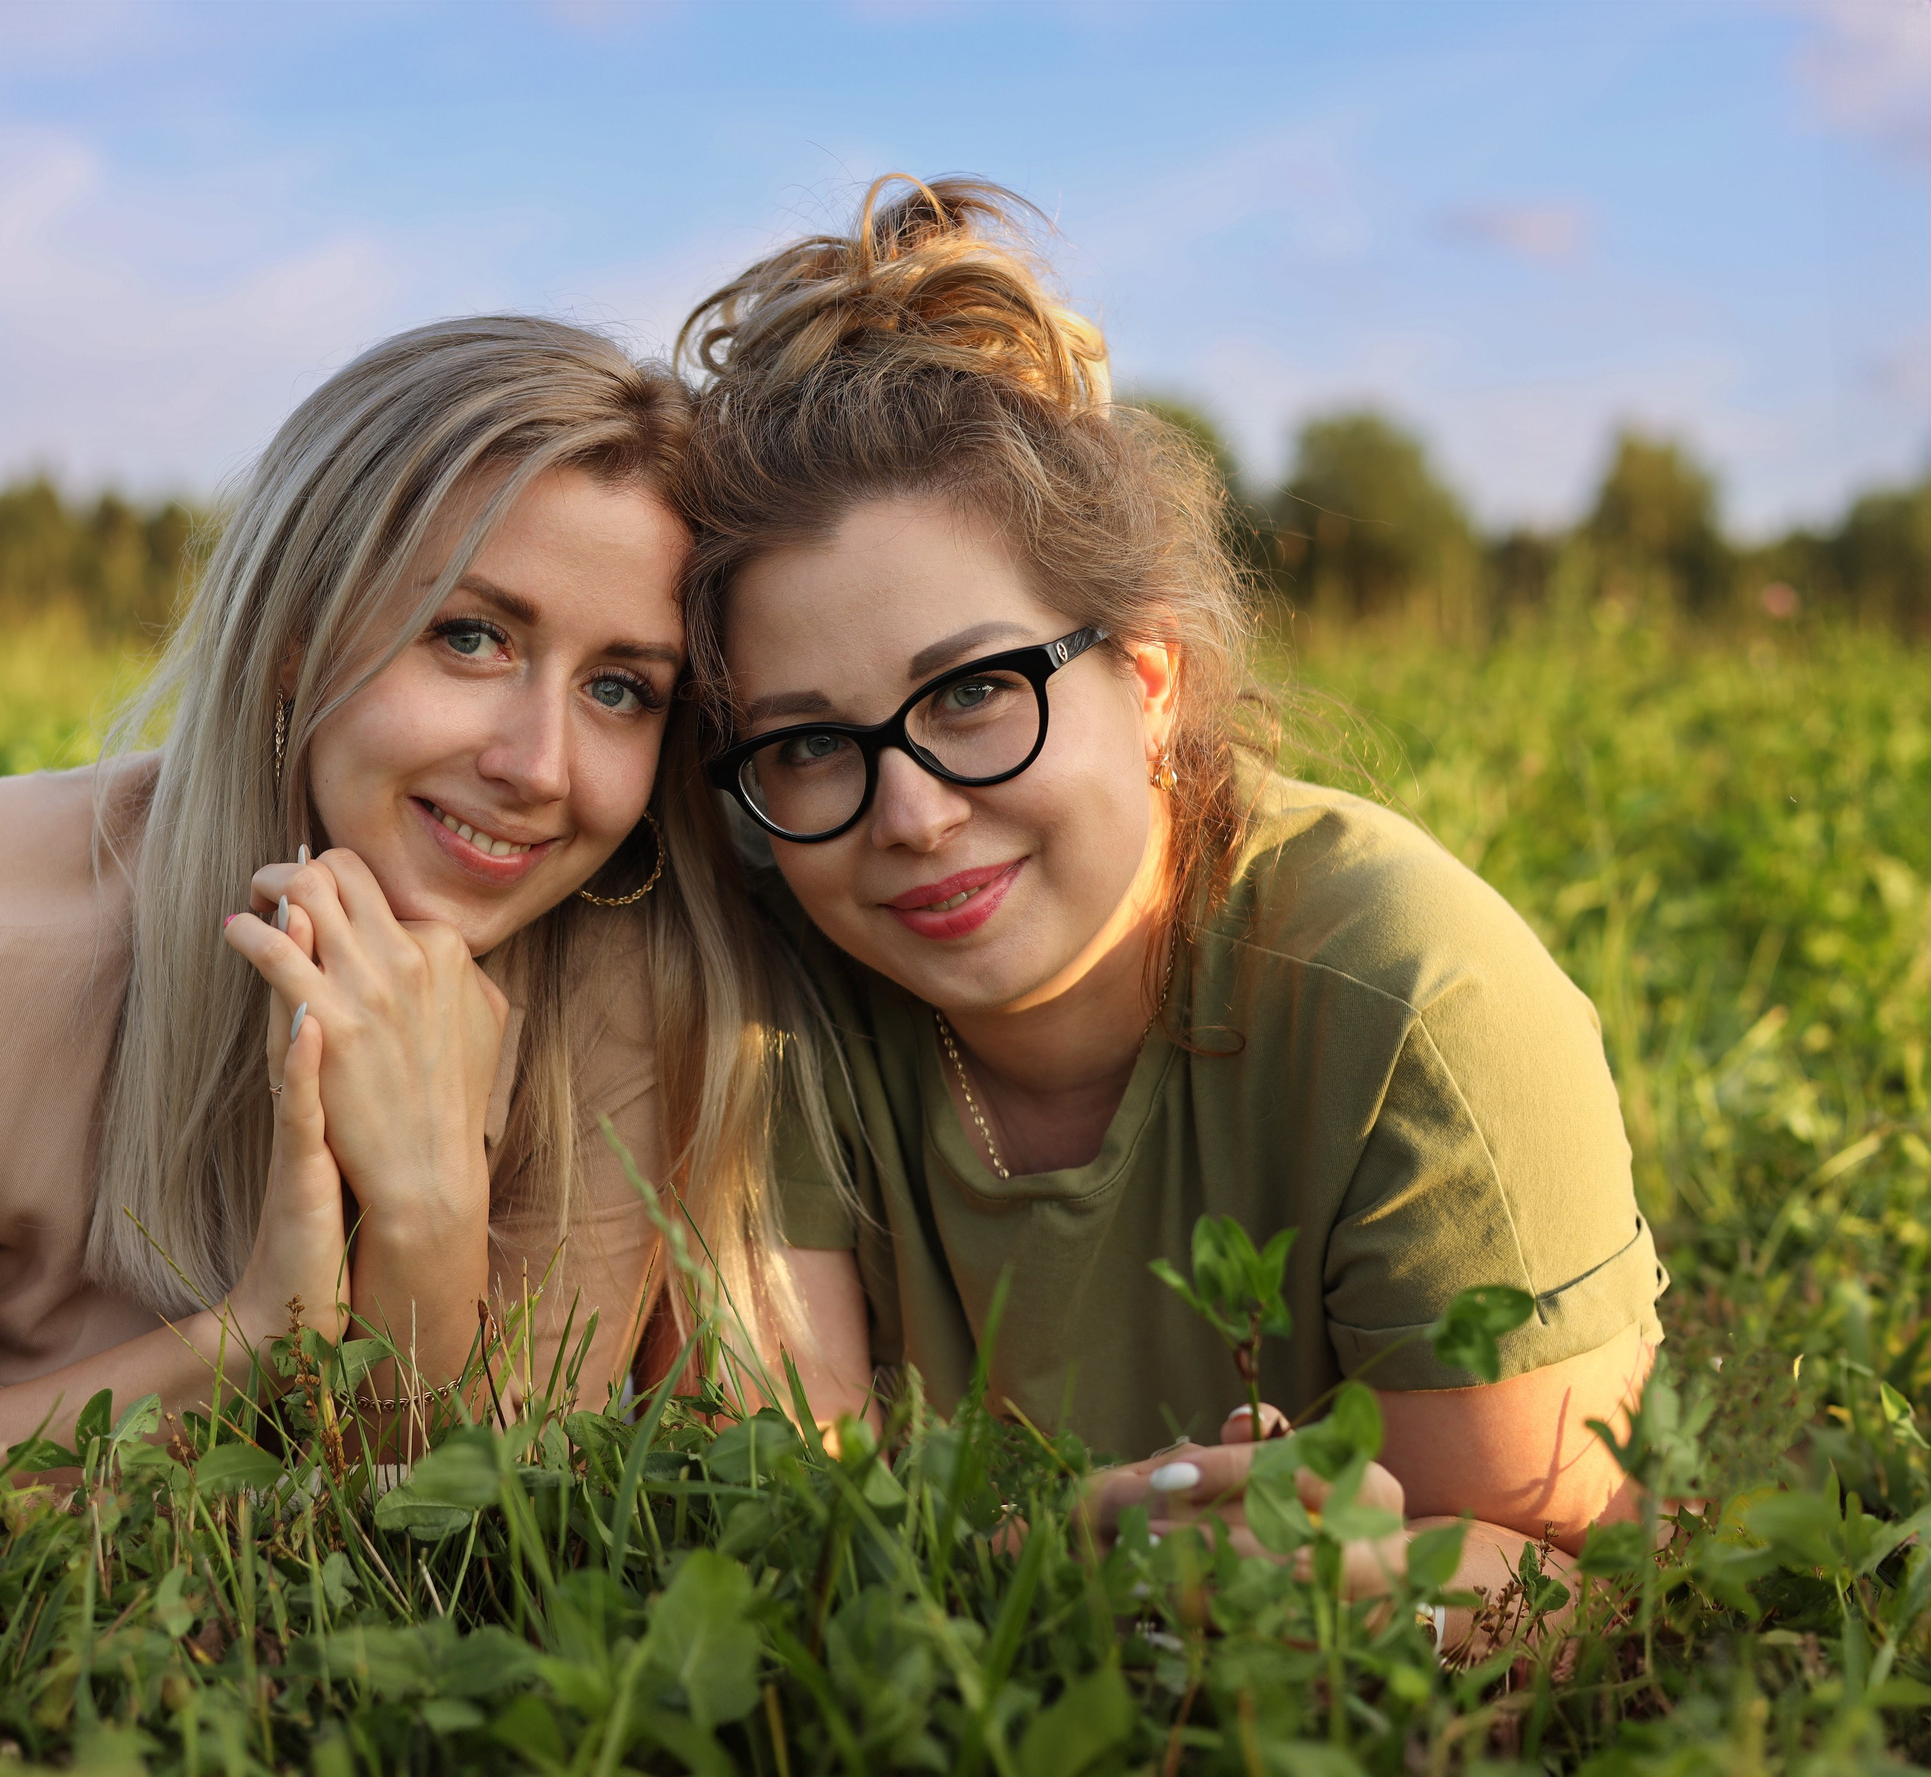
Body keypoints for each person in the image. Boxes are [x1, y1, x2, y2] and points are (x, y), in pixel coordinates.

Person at [678, 178, 1665, 1642]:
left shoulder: (1416, 1003)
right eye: (811, 742)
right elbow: (791, 1533)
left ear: (1147, 679)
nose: (912, 813)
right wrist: (1059, 1566)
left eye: (972, 693)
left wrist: (1362, 1597)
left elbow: (1582, 1579)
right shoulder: (770, 1005)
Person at [0, 314, 856, 1514]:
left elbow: (465, 1511)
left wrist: (427, 1210)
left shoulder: (626, 968)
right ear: (295, 638)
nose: (540, 767)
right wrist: (251, 1339)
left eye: (618, 688)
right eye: (470, 636)